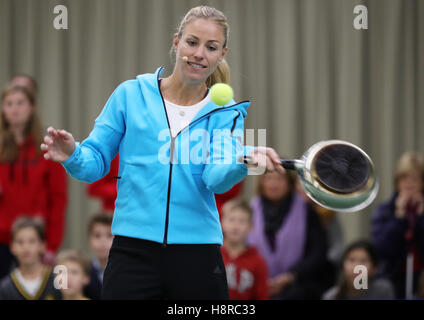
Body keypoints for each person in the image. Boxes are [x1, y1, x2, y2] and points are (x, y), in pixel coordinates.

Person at [40, 5, 284, 300]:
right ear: (176, 41)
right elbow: (95, 163)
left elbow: (215, 178)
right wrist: (72, 154)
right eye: (192, 42)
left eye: (211, 47)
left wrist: (242, 161)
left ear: (222, 54)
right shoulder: (130, 95)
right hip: (132, 252)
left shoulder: (225, 112)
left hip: (198, 255)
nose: (199, 54)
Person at [0, 84, 67, 280]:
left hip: (36, 241)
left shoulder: (47, 147)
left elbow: (58, 198)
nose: (15, 108)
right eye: (9, 103)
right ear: (3, 109)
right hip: (3, 239)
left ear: (32, 108)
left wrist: (52, 245)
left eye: (20, 103)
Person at [248, 170, 334, 299]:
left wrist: (292, 276)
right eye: (268, 178)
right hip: (256, 283)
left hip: (297, 285)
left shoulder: (306, 210)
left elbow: (319, 250)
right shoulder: (250, 209)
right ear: (261, 183)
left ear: (290, 183)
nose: (273, 184)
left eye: (279, 179)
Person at [371, 151, 424, 298]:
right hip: (393, 276)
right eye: (404, 178)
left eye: (415, 179)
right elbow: (381, 248)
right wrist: (399, 217)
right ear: (397, 181)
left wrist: (421, 218)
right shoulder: (385, 210)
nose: (409, 183)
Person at [0, 217, 62, 300]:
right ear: (12, 247)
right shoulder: (5, 287)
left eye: (32, 241)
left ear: (42, 245)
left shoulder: (59, 280)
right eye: (20, 242)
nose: (26, 247)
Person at [221, 198, 268, 300]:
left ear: (251, 227)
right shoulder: (213, 255)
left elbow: (261, 296)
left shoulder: (258, 262)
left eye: (242, 221)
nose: (235, 226)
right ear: (222, 223)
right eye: (231, 219)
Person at [322, 240, 395, 300]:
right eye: (351, 260)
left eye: (363, 261)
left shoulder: (383, 291)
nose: (356, 267)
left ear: (374, 268)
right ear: (343, 265)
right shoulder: (331, 296)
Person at [84, 212, 113, 300]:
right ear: (89, 240)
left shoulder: (124, 272)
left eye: (109, 235)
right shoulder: (85, 271)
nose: (103, 242)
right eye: (97, 236)